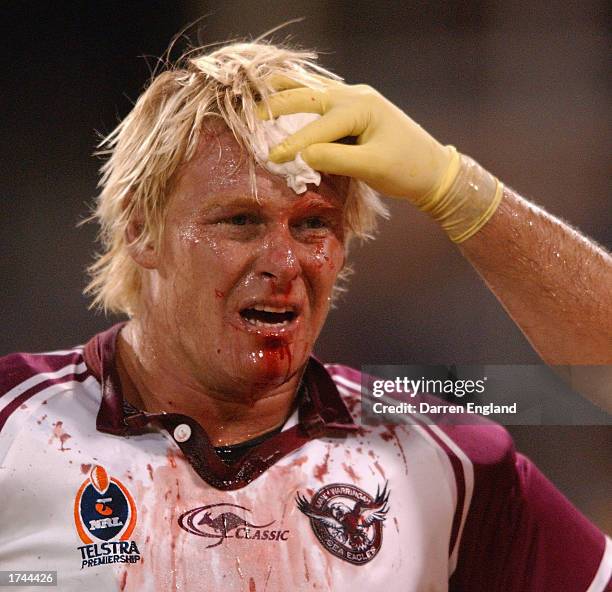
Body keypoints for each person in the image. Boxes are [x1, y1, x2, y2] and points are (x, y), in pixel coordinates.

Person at [0, 40, 610, 592]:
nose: (284, 262)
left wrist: (455, 187)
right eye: (240, 221)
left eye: (313, 224)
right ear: (141, 230)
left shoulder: (445, 459)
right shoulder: (13, 425)